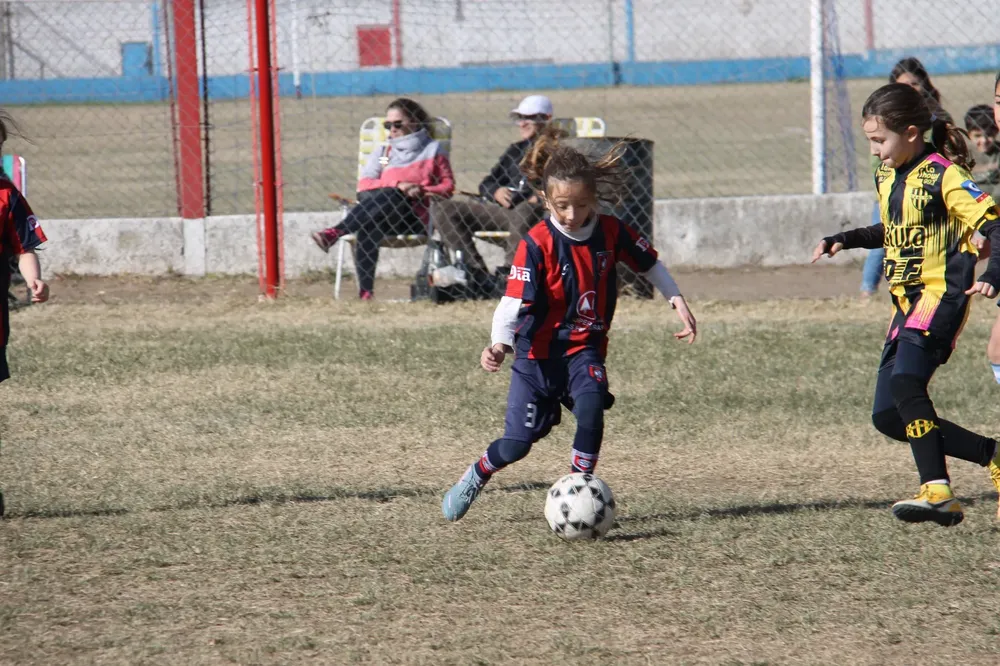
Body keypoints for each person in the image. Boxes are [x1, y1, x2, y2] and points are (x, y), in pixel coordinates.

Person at [440, 129, 697, 522]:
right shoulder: (537, 243)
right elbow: (512, 303)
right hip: (536, 357)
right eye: (562, 206)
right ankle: (476, 474)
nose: (573, 215)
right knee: (516, 445)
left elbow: (650, 263)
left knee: (592, 408)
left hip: (583, 349)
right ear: (546, 200)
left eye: (581, 204)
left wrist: (676, 299)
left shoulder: (611, 231)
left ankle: (580, 490)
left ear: (593, 198)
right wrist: (498, 344)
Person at [812, 82, 1000, 526]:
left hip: (941, 297)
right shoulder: (888, 175)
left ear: (912, 132)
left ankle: (938, 491)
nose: (875, 151)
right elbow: (892, 228)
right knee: (888, 416)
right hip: (906, 305)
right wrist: (846, 238)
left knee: (905, 386)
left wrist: (993, 275)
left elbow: (994, 225)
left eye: (880, 141)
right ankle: (992, 454)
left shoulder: (945, 175)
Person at [310, 98, 454, 300]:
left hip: (413, 216)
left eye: (397, 124)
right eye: (388, 125)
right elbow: (365, 183)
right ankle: (366, 293)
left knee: (388, 198)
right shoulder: (385, 153)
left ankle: (335, 232)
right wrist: (398, 185)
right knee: (376, 215)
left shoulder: (432, 150)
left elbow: (448, 186)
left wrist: (421, 189)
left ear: (414, 122)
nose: (392, 130)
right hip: (382, 213)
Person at [431, 95, 555, 298]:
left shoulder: (557, 150)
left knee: (525, 209)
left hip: (537, 213)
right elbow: (486, 183)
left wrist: (539, 199)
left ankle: (509, 276)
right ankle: (477, 275)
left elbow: (565, 185)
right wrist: (496, 191)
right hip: (504, 212)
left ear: (546, 118)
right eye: (519, 118)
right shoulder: (515, 150)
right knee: (444, 208)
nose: (522, 123)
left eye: (529, 118)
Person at [861, 58, 954, 298]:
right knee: (884, 242)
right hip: (893, 193)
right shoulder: (885, 124)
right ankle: (866, 291)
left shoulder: (936, 121)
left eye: (915, 83)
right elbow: (878, 163)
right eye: (904, 84)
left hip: (926, 196)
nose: (911, 89)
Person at [964, 103, 1000, 199]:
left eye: (989, 135)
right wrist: (980, 199)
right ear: (969, 135)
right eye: (977, 136)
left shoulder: (998, 153)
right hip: (972, 201)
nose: (984, 141)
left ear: (996, 132)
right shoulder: (963, 154)